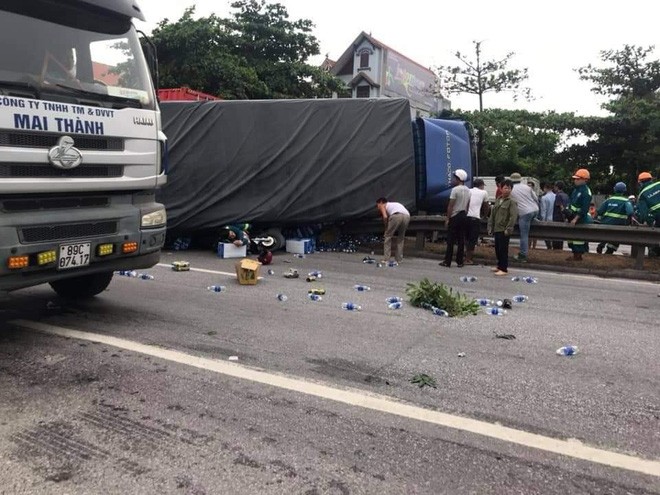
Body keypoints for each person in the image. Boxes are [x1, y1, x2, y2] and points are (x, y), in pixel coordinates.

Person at [439, 169, 470, 268]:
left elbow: (450, 205)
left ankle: (447, 261)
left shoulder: (455, 190)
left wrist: (448, 218)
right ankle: (460, 261)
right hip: (464, 215)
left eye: (454, 178)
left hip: (455, 216)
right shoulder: (468, 190)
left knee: (451, 239)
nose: (453, 180)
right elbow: (467, 205)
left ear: (458, 179)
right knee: (461, 239)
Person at [488, 179, 518, 276]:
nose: (507, 190)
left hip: (504, 229)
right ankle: (499, 265)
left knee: (503, 249)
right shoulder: (498, 200)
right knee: (497, 248)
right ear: (501, 189)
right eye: (505, 188)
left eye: (509, 188)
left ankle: (504, 268)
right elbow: (493, 214)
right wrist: (490, 226)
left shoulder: (512, 202)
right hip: (497, 228)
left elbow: (513, 216)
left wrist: (509, 228)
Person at [596, 182, 635, 254]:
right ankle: (609, 251)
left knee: (605, 235)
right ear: (624, 190)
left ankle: (601, 245)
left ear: (614, 189)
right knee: (616, 239)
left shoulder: (608, 200)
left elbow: (600, 211)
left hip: (605, 224)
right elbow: (630, 212)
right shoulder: (626, 201)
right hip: (618, 226)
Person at [509, 172, 538, 262]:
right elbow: (536, 198)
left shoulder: (511, 189)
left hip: (525, 213)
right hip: (535, 210)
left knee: (524, 235)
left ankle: (523, 255)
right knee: (528, 224)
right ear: (520, 179)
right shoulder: (527, 187)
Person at [566, 168, 593, 261]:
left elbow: (584, 209)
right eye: (575, 179)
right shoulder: (576, 190)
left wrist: (576, 218)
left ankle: (578, 256)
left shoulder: (586, 192)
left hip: (580, 220)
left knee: (578, 240)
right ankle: (575, 255)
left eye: (577, 179)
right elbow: (572, 203)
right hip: (572, 217)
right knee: (571, 239)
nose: (575, 181)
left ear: (584, 180)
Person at [376, 197, 411, 264]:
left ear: (381, 202)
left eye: (377, 205)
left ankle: (386, 259)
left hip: (396, 215)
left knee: (388, 236)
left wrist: (386, 227)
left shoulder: (383, 205)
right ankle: (399, 259)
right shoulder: (395, 204)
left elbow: (385, 217)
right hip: (407, 216)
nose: (378, 207)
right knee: (401, 238)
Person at [465, 177, 489, 264]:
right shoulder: (484, 193)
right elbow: (486, 206)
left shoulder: (468, 191)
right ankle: (468, 259)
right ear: (481, 185)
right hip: (475, 218)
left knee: (466, 238)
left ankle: (464, 257)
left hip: (466, 217)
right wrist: (485, 216)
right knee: (473, 239)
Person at [636, 171, 660, 257]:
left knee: (655, 241)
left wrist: (651, 223)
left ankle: (654, 254)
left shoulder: (642, 195)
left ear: (640, 182)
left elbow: (644, 214)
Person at [538, 182, 556, 249]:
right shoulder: (555, 196)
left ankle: (549, 247)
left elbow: (543, 210)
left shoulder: (544, 198)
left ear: (545, 188)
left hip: (547, 219)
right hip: (554, 218)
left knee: (546, 235)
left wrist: (542, 220)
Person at [552, 181, 569, 250]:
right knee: (561, 236)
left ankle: (556, 250)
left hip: (557, 218)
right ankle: (560, 249)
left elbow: (561, 207)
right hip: (563, 218)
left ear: (557, 187)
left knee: (556, 236)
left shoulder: (558, 196)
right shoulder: (566, 195)